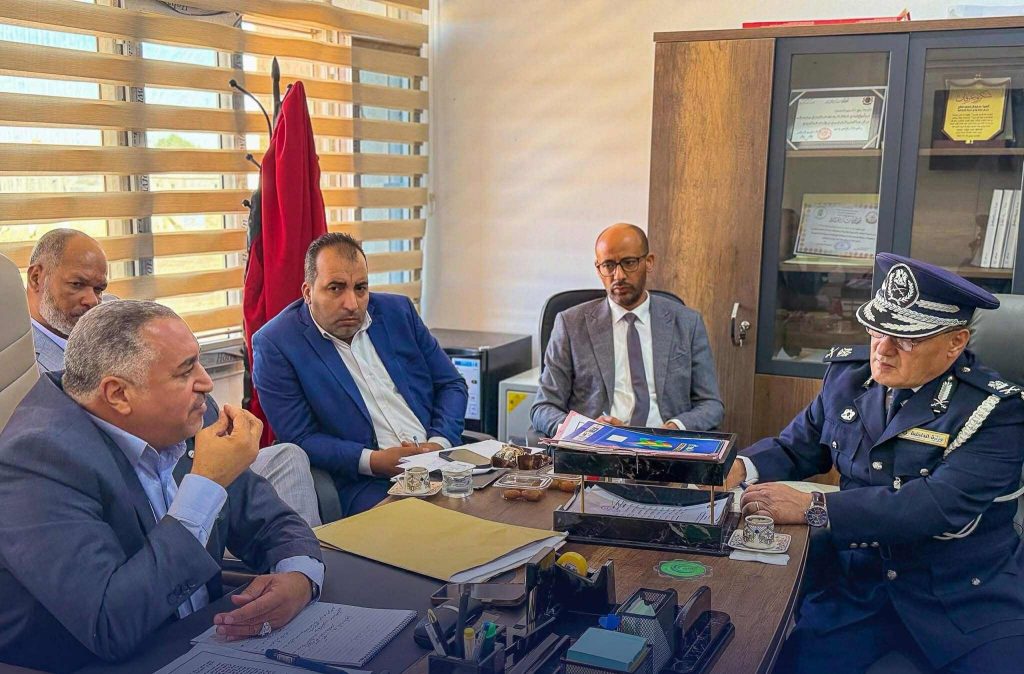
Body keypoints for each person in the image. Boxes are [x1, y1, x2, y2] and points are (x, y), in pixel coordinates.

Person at [726, 253, 1024, 673]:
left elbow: (935, 505)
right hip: (858, 588)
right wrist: (737, 468)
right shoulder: (849, 378)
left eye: (906, 339)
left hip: (961, 595)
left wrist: (815, 507)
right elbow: (797, 447)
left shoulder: (996, 410)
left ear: (955, 343)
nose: (882, 350)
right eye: (877, 329)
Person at [0, 301, 324, 672]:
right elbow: (109, 623)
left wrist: (299, 577)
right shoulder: (37, 460)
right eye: (186, 371)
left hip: (203, 641)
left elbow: (273, 521)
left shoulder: (193, 413)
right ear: (118, 394)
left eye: (198, 362)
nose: (206, 383)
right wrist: (206, 485)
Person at [24, 229, 322, 526]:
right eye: (77, 285)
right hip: (133, 466)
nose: (92, 300)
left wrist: (214, 431)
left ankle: (301, 555)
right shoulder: (17, 360)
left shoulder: (111, 316)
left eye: (99, 289)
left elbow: (173, 374)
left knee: (287, 457)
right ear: (37, 277)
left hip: (182, 445)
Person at [252, 233, 469, 516]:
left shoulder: (398, 312)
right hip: (369, 483)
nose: (352, 304)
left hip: (441, 461)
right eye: (336, 288)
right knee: (430, 528)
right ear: (308, 292)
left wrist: (439, 443)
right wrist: (374, 461)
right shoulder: (277, 343)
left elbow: (451, 384)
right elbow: (300, 437)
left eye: (360, 288)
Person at [531, 223, 723, 437]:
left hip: (664, 444)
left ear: (649, 262)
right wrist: (586, 430)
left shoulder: (687, 323)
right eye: (608, 265)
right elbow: (543, 408)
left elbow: (710, 404)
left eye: (629, 263)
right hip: (597, 447)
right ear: (598, 269)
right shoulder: (570, 325)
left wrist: (674, 427)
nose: (619, 275)